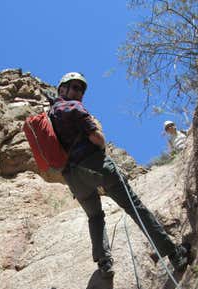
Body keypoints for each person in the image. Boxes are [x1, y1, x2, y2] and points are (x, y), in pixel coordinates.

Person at [50, 72, 189, 278]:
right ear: (63, 89)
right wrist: (102, 143)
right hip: (95, 165)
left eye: (81, 89)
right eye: (75, 88)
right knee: (135, 207)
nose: (79, 93)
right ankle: (173, 253)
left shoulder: (50, 116)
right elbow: (95, 137)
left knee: (95, 216)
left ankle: (104, 262)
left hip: (73, 177)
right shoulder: (73, 107)